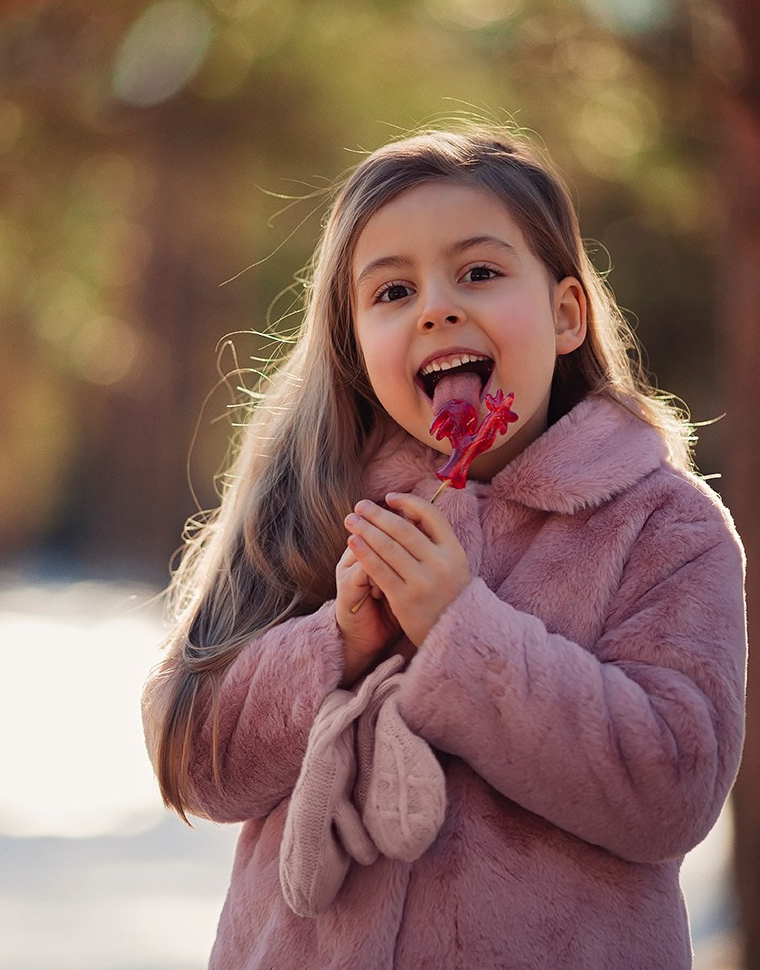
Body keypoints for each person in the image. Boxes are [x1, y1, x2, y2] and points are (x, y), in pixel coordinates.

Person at [142, 127, 746, 970]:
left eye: (480, 273)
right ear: (354, 341)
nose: (435, 307)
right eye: (391, 291)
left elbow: (673, 787)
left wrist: (465, 633)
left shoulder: (664, 528)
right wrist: (338, 645)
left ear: (567, 314)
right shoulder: (317, 498)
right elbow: (193, 761)